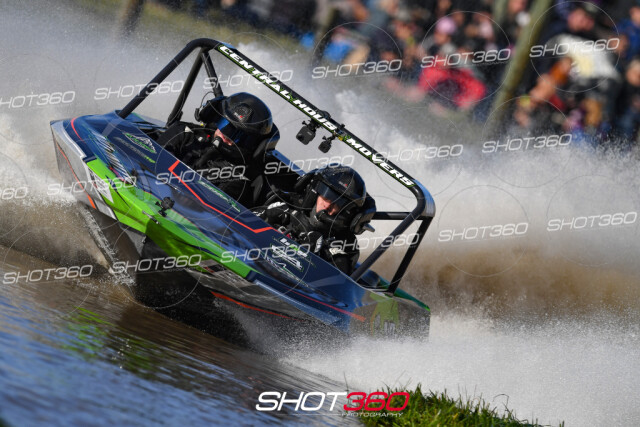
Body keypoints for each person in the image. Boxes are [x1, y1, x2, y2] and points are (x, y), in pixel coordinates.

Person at [159, 92, 277, 207]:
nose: (226, 135)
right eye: (225, 125)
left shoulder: (237, 178)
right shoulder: (184, 133)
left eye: (237, 135)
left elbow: (207, 209)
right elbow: (154, 159)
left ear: (251, 144)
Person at [256, 164, 376, 275]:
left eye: (337, 203)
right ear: (315, 194)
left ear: (345, 211)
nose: (328, 206)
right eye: (326, 197)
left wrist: (316, 256)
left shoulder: (345, 243)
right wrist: (266, 216)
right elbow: (245, 221)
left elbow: (335, 281)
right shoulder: (289, 203)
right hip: (254, 259)